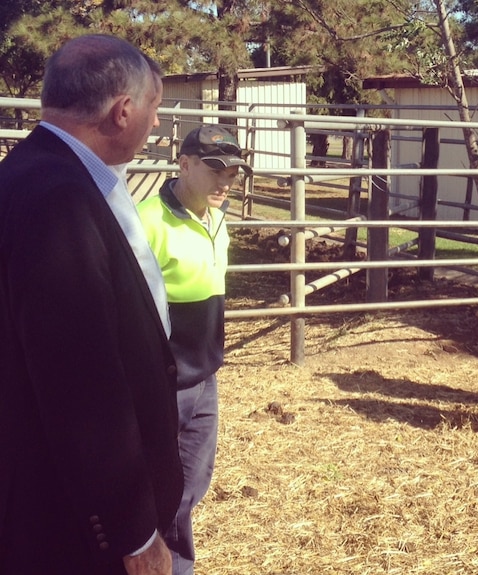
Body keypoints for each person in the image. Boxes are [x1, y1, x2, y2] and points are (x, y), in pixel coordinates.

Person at [0, 35, 183, 575]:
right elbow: (80, 381)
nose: (155, 123)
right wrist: (132, 531)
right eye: (153, 108)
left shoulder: (33, 174)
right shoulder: (59, 198)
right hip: (72, 524)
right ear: (122, 111)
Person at [137, 125, 251, 575]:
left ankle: (175, 565)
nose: (226, 181)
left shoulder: (217, 221)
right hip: (161, 381)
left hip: (204, 375)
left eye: (234, 171)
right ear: (183, 164)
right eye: (215, 168)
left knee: (191, 483)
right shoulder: (144, 221)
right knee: (156, 483)